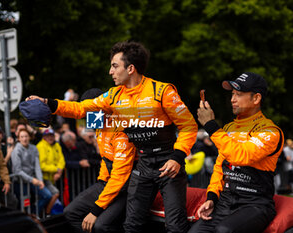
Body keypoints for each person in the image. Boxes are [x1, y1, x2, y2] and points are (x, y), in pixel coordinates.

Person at [26, 41, 198, 233]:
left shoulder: (162, 91)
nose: (110, 71)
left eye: (115, 66)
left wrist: (177, 157)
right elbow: (81, 108)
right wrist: (48, 102)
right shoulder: (114, 96)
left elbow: (189, 126)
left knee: (175, 226)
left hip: (168, 163)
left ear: (130, 68)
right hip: (143, 164)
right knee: (131, 226)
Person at [189, 72, 284, 233]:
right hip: (225, 202)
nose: (232, 99)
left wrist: (211, 126)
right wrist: (211, 197)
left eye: (239, 94)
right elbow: (220, 167)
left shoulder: (270, 131)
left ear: (256, 99)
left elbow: (241, 155)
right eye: (232, 94)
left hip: (255, 204)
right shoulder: (228, 129)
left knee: (224, 231)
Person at [63, 88, 136, 233]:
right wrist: (102, 180)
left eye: (88, 111)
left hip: (126, 188)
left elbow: (120, 177)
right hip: (106, 183)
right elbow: (105, 158)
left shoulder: (120, 129)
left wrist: (96, 211)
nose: (85, 116)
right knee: (70, 212)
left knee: (101, 226)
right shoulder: (98, 125)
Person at [11, 128, 53, 215]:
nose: (24, 139)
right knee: (25, 202)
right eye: (22, 137)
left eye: (26, 136)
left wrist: (40, 180)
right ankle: (25, 218)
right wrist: (32, 180)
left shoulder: (34, 148)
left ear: (29, 137)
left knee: (47, 195)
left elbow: (37, 166)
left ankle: (34, 213)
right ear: (18, 138)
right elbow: (17, 170)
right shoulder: (16, 150)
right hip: (20, 182)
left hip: (33, 179)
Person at [36, 128, 66, 214]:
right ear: (44, 137)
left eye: (52, 135)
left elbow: (62, 160)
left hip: (53, 177)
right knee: (53, 194)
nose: (50, 137)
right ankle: (44, 213)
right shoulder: (40, 146)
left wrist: (59, 171)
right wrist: (56, 169)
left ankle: (45, 213)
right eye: (48, 136)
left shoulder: (56, 145)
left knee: (53, 195)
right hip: (42, 178)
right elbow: (42, 165)